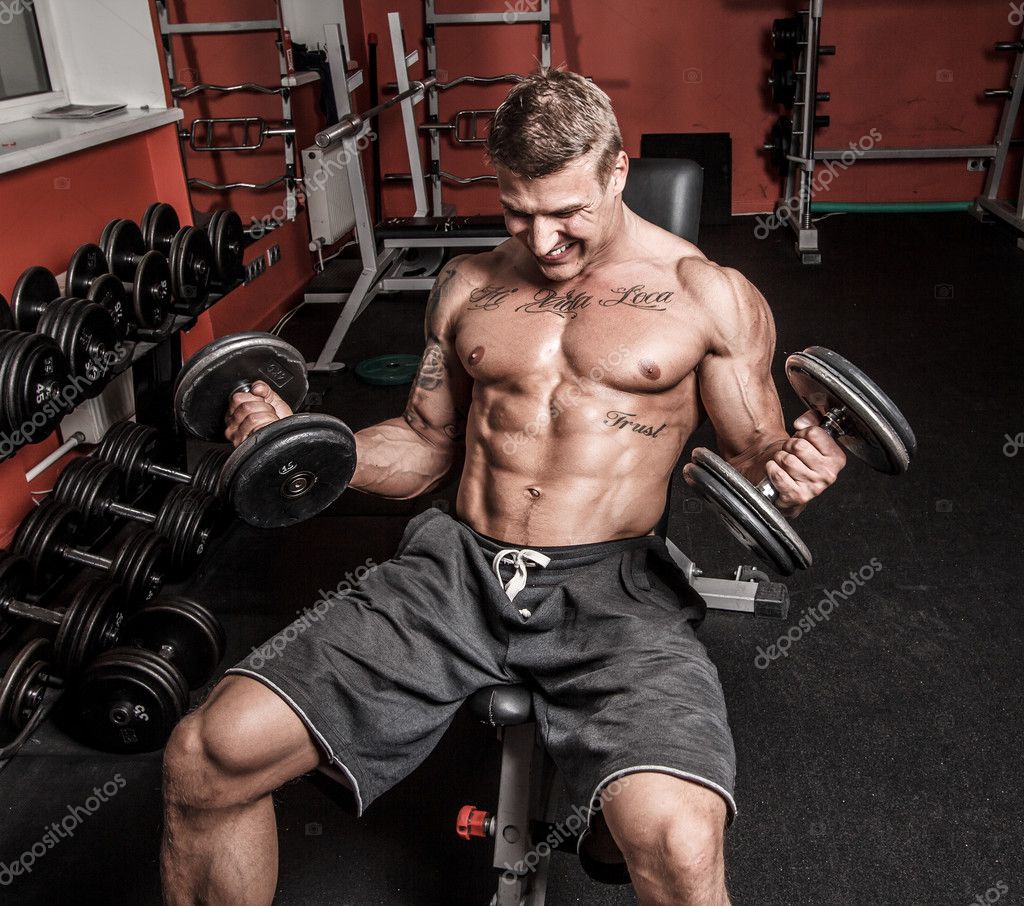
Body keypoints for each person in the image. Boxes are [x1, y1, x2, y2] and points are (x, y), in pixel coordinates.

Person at [161, 68, 846, 906]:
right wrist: (305, 442)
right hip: (455, 572)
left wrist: (792, 476)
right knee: (207, 755)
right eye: (519, 212)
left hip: (615, 591)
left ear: (618, 172)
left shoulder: (710, 297)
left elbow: (752, 458)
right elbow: (424, 445)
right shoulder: (468, 286)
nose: (544, 241)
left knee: (679, 836)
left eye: (567, 214)